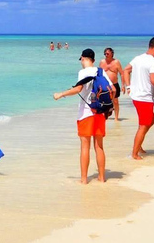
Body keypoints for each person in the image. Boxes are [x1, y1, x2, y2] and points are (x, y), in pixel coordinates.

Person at [53, 49, 107, 184]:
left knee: (85, 146)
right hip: (100, 113)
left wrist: (61, 94)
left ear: (83, 59)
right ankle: (101, 178)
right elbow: (111, 90)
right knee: (99, 146)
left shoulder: (83, 72)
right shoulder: (101, 71)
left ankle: (84, 180)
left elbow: (78, 89)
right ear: (93, 60)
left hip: (86, 113)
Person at [123, 36, 154, 160]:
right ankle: (134, 154)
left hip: (136, 96)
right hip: (144, 97)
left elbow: (125, 70)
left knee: (151, 119)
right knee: (144, 125)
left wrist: (129, 86)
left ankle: (138, 145)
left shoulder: (138, 58)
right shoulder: (153, 62)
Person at [99, 47, 124, 121]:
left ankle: (116, 118)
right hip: (105, 85)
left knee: (115, 101)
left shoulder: (116, 62)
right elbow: (99, 74)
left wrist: (123, 85)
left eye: (107, 53)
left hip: (114, 84)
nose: (106, 55)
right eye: (105, 53)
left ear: (112, 54)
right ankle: (104, 116)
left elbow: (121, 74)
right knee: (103, 101)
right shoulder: (102, 62)